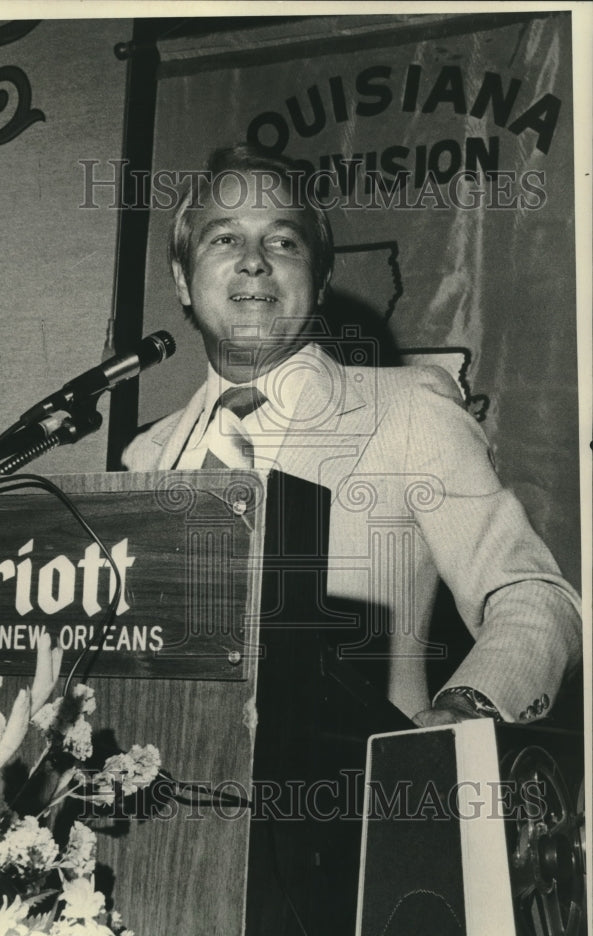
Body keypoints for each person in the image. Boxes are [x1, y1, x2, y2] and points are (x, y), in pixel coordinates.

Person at [122, 144, 582, 727]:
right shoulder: (146, 455)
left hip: (349, 795)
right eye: (224, 239)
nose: (255, 261)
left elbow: (538, 599)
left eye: (284, 241)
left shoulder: (410, 409)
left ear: (319, 282)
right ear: (182, 281)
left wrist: (465, 712)